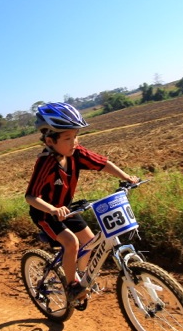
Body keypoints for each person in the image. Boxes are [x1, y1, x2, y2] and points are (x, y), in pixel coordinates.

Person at [25, 102, 139, 301]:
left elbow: (102, 164)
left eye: (76, 136)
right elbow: (31, 196)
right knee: (72, 243)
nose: (74, 142)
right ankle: (71, 286)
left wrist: (127, 177)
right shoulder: (46, 162)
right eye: (68, 138)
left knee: (89, 241)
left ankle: (80, 275)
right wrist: (52, 209)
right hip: (45, 214)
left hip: (66, 209)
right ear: (50, 141)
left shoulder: (76, 154)